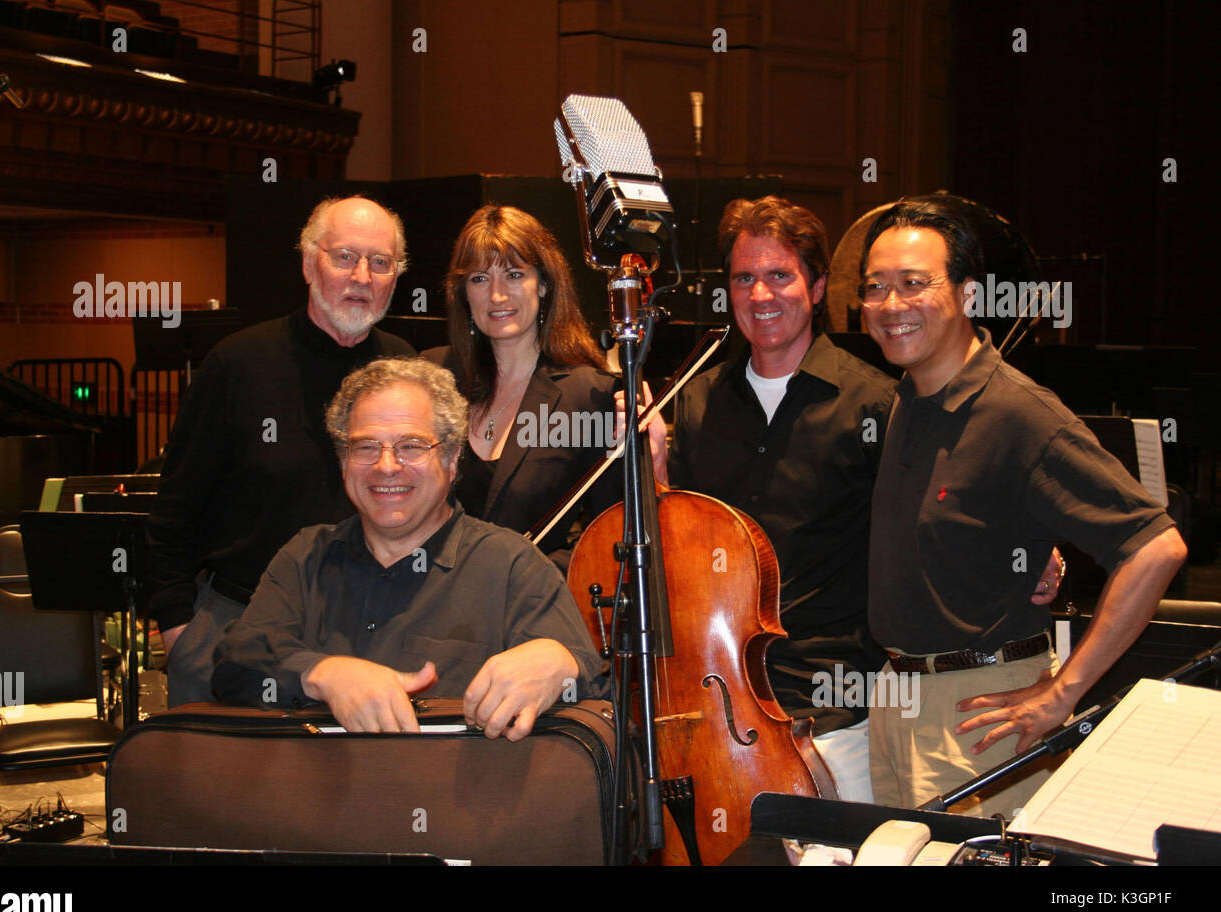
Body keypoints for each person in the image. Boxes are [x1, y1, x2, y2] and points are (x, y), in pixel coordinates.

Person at [860, 198, 1187, 816]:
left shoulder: (1019, 412)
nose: (890, 305)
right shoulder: (905, 399)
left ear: (969, 295)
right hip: (898, 702)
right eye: (875, 287)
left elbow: (1156, 547)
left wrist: (1063, 693)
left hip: (981, 715)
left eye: (913, 284)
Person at [628, 196, 898, 802]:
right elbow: (683, 557)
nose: (760, 295)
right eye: (744, 278)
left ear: (818, 284)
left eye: (780, 275)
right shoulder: (696, 404)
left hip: (830, 713)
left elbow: (919, 530)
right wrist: (655, 474)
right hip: (716, 703)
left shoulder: (875, 405)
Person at [211, 359, 608, 740]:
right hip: (315, 803)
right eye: (365, 446)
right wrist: (321, 674)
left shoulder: (511, 567)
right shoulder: (305, 556)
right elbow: (236, 665)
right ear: (342, 460)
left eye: (411, 446)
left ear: (452, 460)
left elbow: (594, 686)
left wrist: (560, 663)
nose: (386, 466)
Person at [148, 195, 416, 707]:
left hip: (369, 637)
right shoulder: (237, 364)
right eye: (345, 257)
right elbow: (174, 510)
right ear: (308, 262)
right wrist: (181, 629)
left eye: (380, 263)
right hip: (233, 631)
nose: (362, 276)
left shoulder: (405, 369)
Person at [423, 205, 618, 572]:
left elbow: (608, 538)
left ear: (543, 284)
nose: (497, 295)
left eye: (514, 275)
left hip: (530, 612)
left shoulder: (589, 396)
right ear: (463, 292)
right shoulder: (431, 375)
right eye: (479, 278)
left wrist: (532, 575)